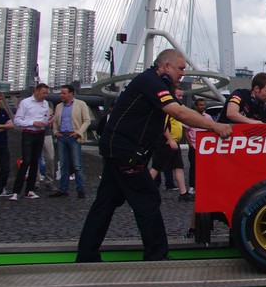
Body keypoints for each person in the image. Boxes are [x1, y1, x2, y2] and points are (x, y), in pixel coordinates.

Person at [76, 49, 232, 263]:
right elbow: (179, 113)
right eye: (180, 68)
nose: (183, 73)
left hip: (118, 150)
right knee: (147, 198)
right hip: (126, 152)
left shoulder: (154, 83)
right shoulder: (151, 82)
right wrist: (214, 126)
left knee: (105, 203)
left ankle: (86, 255)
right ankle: (156, 255)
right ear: (166, 66)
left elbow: (174, 113)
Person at [10, 83, 52, 201]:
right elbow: (17, 120)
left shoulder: (45, 104)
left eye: (46, 93)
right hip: (28, 133)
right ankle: (16, 191)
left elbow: (45, 119)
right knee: (26, 161)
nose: (45, 95)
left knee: (35, 162)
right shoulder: (25, 103)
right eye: (43, 93)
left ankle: (29, 190)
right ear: (36, 91)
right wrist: (32, 123)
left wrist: (47, 121)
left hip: (40, 133)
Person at [48, 84, 90, 198]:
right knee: (63, 165)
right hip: (62, 137)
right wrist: (55, 132)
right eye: (61, 93)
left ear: (71, 94)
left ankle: (80, 189)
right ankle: (63, 189)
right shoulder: (59, 106)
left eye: (64, 93)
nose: (62, 95)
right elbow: (55, 121)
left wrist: (78, 132)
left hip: (74, 137)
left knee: (77, 165)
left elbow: (87, 120)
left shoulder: (81, 104)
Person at [149, 112, 190, 202]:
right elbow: (163, 125)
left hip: (174, 142)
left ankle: (183, 193)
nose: (181, 97)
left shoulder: (175, 108)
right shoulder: (167, 109)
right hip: (166, 143)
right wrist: (170, 139)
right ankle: (142, 190)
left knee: (179, 167)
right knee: (156, 167)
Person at [184, 98, 209, 195]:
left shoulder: (208, 117)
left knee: (204, 168)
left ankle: (203, 186)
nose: (202, 107)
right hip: (194, 146)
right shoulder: (190, 117)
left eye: (203, 105)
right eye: (200, 105)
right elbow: (186, 131)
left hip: (205, 148)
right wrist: (190, 145)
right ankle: (192, 186)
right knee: (193, 168)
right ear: (196, 106)